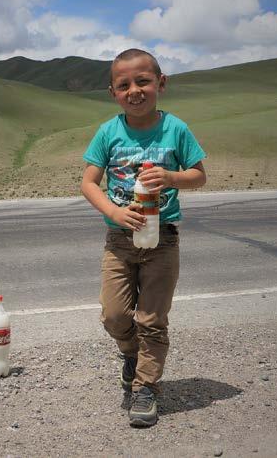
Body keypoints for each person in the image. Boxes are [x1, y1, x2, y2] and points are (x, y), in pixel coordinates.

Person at [81, 48, 206, 427]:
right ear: (113, 92)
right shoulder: (108, 131)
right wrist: (115, 212)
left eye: (143, 81)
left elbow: (198, 175)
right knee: (116, 316)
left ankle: (145, 387)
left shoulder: (176, 129)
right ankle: (131, 354)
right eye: (124, 85)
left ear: (160, 84)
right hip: (120, 240)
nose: (134, 90)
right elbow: (89, 183)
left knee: (152, 318)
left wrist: (171, 177)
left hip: (163, 238)